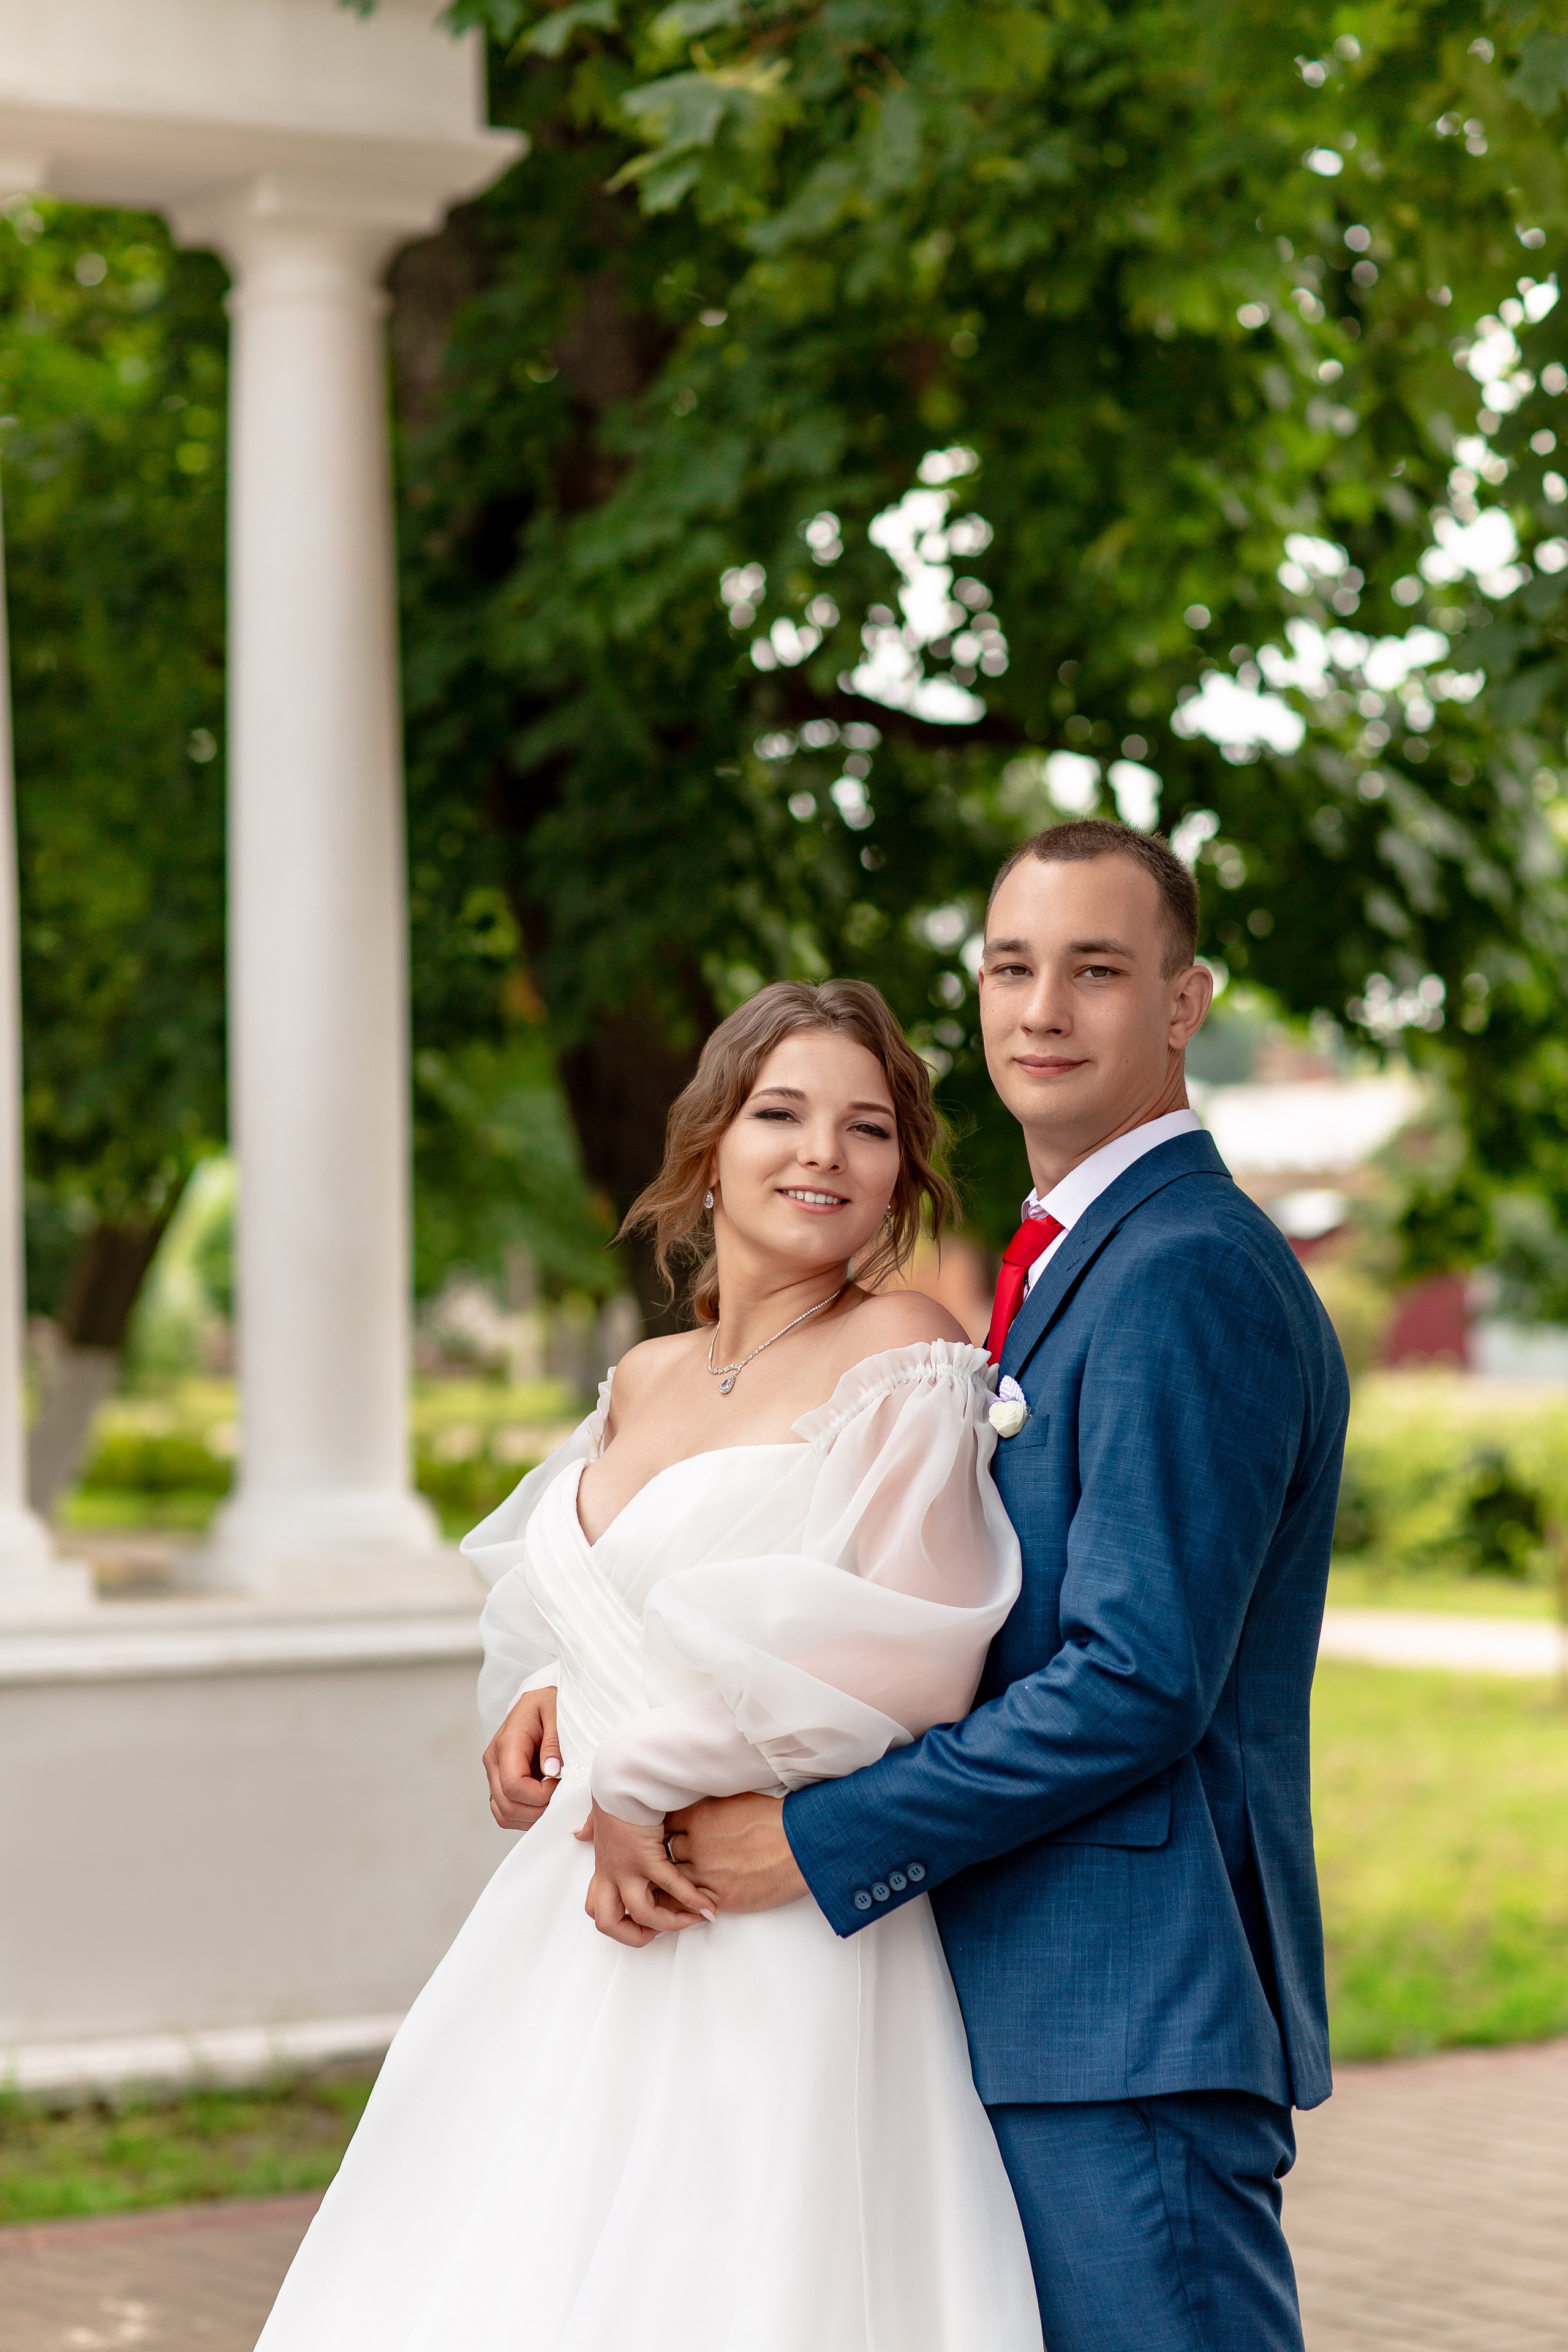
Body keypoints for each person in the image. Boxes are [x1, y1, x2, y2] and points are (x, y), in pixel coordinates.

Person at [254, 979, 1044, 2352]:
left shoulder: (906, 1351)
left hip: (762, 1920)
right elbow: (569, 1585)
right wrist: (541, 1690)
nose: (821, 1153)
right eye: (781, 1112)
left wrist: (642, 1773)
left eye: (867, 1129)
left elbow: (907, 1657)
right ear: (709, 1142)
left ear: (900, 1173)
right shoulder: (640, 1374)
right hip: (565, 1924)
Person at [668, 820, 1349, 2352]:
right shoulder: (1070, 1258)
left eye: (1094, 971)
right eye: (1008, 966)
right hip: (1034, 2003)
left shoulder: (1185, 1269)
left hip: (1125, 2014)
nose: (1038, 1009)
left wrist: (816, 1839)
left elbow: (1138, 1678)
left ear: (1182, 1005)